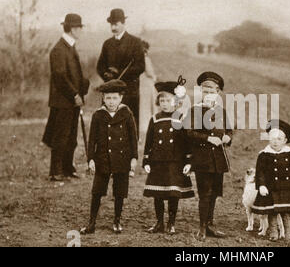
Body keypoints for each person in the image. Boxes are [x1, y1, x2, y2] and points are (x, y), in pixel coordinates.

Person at [80, 79, 138, 235]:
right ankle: (91, 222)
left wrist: (134, 157)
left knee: (120, 191)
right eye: (108, 98)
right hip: (103, 158)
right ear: (103, 99)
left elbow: (133, 137)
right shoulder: (98, 115)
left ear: (121, 98)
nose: (111, 102)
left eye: (114, 98)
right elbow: (92, 140)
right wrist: (91, 159)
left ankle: (117, 220)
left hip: (122, 158)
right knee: (97, 190)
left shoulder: (126, 113)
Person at [183, 71, 232, 240]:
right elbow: (189, 133)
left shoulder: (222, 111)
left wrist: (228, 137)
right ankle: (202, 227)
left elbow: (230, 130)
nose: (208, 95)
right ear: (200, 92)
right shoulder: (194, 110)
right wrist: (208, 138)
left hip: (218, 159)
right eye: (205, 91)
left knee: (215, 193)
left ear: (218, 93)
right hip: (202, 159)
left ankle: (210, 224)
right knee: (205, 193)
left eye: (212, 92)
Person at [142, 78, 195, 234]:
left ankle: (171, 223)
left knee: (173, 193)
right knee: (158, 193)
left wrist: (188, 161)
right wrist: (146, 159)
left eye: (168, 100)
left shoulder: (180, 118)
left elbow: (187, 143)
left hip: (175, 162)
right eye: (162, 100)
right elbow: (149, 142)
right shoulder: (155, 119)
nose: (165, 103)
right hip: (158, 161)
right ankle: (159, 222)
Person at [42, 13, 90, 181]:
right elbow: (60, 76)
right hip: (63, 101)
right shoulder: (59, 49)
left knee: (71, 136)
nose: (81, 31)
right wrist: (74, 94)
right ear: (73, 29)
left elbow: (74, 75)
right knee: (60, 136)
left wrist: (83, 88)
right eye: (79, 28)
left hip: (72, 100)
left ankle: (68, 168)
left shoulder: (70, 47)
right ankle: (55, 171)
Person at [97, 8, 145, 130]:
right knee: (109, 124)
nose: (113, 27)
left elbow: (140, 66)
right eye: (111, 24)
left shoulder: (135, 42)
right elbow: (100, 66)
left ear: (123, 23)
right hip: (110, 92)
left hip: (129, 91)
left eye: (116, 24)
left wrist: (121, 74)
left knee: (129, 125)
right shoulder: (107, 44)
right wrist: (107, 76)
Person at [138, 40, 158, 138]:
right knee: (148, 104)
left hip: (142, 83)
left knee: (143, 104)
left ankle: (143, 125)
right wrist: (155, 77)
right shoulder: (145, 59)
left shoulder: (137, 59)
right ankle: (146, 125)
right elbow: (149, 72)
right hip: (147, 84)